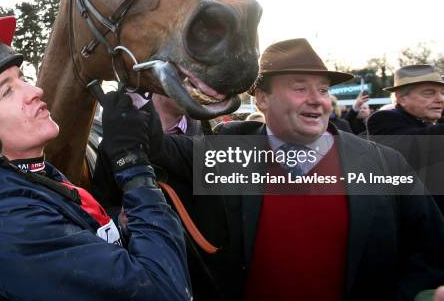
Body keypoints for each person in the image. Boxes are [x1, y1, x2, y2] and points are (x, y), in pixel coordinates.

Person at [0, 16, 191, 300]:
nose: (36, 91)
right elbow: (165, 290)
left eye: (22, 78)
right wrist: (134, 166)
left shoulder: (31, 176)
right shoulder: (4, 225)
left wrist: (125, 225)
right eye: (6, 91)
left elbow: (84, 233)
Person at [148, 39, 444, 300]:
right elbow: (153, 144)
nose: (317, 99)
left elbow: (433, 249)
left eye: (323, 90)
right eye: (301, 88)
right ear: (262, 99)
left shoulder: (384, 164)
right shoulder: (227, 153)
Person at [367, 64, 444, 212]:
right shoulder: (383, 118)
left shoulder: (432, 122)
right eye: (429, 93)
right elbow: (418, 145)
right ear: (401, 98)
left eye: (442, 93)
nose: (440, 99)